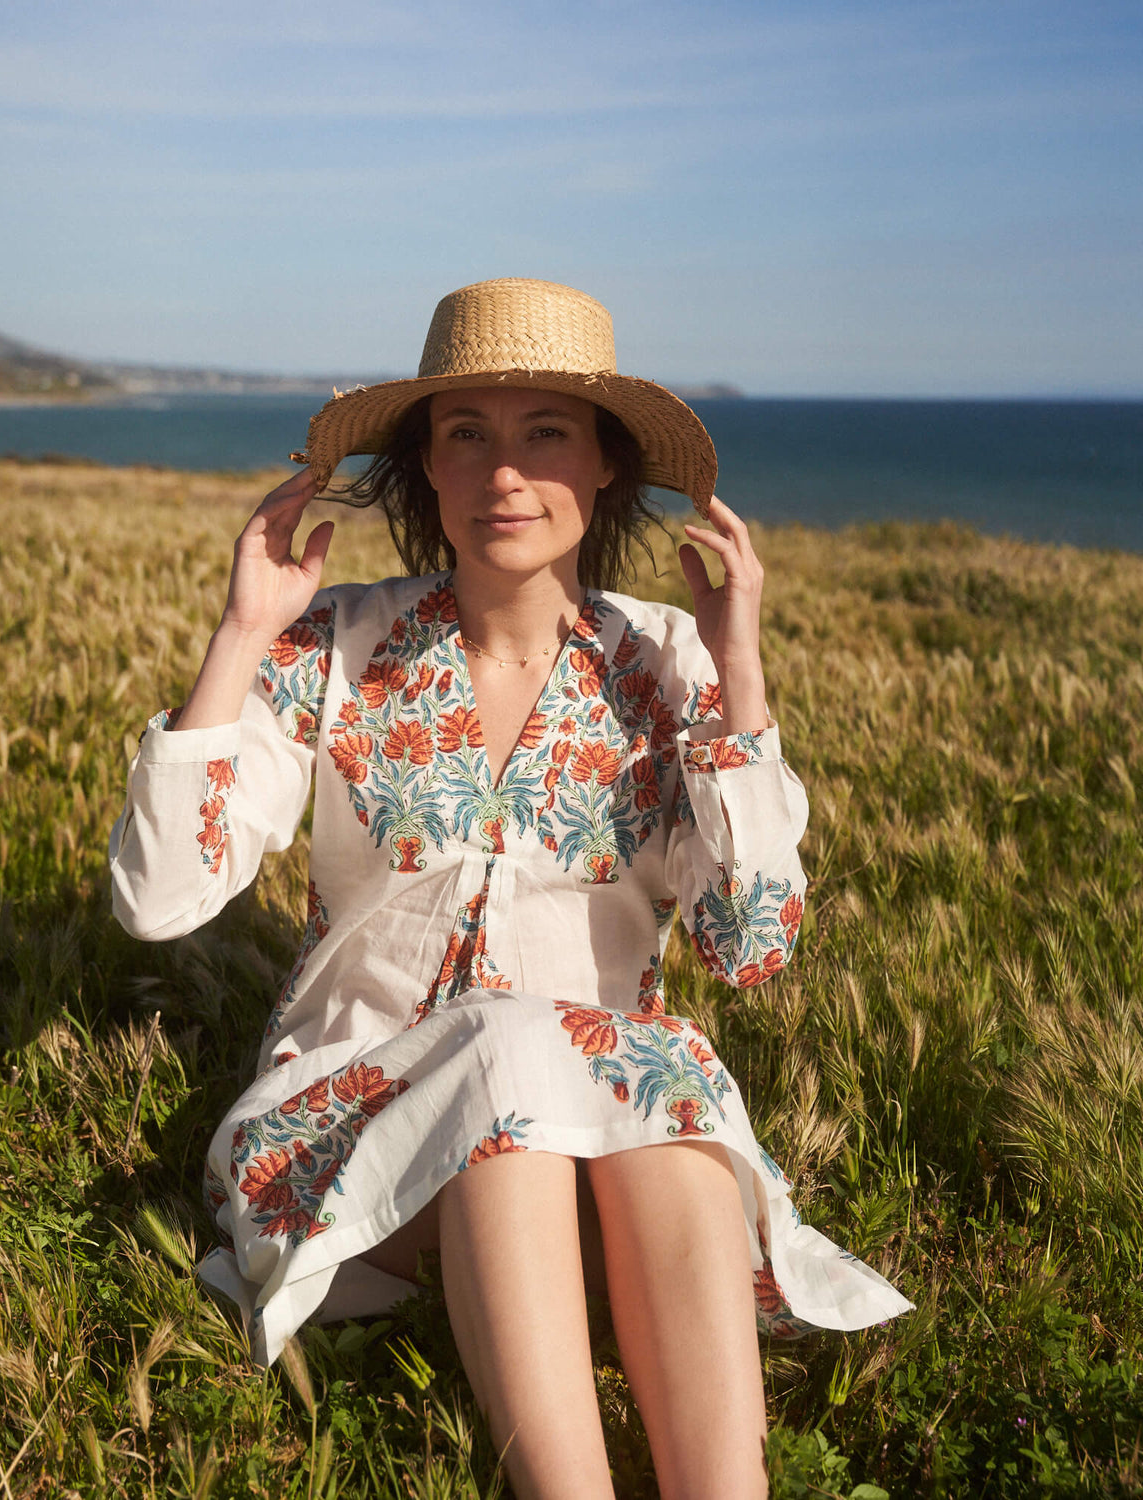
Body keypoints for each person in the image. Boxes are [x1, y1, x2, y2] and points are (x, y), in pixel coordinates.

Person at [110, 278, 911, 1499]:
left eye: (546, 433)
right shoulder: (331, 648)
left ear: (603, 469)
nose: (503, 473)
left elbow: (750, 948)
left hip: (607, 1158)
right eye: (466, 434)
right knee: (509, 1053)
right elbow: (157, 898)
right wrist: (238, 637)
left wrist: (739, 672)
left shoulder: (668, 662)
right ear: (423, 468)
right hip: (350, 1140)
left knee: (667, 1093)